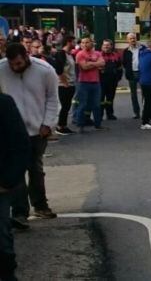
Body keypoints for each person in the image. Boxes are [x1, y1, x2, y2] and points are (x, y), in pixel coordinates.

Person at [0, 44, 60, 231]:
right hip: (12, 132)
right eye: (12, 64)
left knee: (35, 168)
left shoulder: (45, 70)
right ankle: (19, 212)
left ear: (26, 57)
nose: (15, 68)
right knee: (16, 172)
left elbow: (52, 98)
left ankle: (40, 205)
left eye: (18, 63)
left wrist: (48, 123)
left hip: (37, 129)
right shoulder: (1, 68)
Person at [0, 90, 30, 281]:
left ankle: (7, 274)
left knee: (1, 238)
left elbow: (21, 145)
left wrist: (7, 181)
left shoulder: (3, 104)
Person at [74, 37, 106, 131]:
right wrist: (96, 63)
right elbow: (84, 67)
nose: (84, 44)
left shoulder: (97, 53)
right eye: (83, 43)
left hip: (95, 82)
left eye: (87, 42)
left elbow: (103, 63)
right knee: (82, 104)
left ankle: (98, 124)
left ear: (92, 43)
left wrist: (90, 63)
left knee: (96, 104)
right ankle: (80, 125)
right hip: (83, 82)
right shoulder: (80, 54)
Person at [51, 38, 77, 135]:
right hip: (63, 85)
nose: (75, 44)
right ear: (68, 42)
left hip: (71, 83)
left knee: (67, 105)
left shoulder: (70, 55)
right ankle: (59, 126)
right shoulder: (61, 54)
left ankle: (64, 125)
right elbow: (59, 69)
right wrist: (64, 82)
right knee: (64, 105)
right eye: (73, 42)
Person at [122, 33, 145, 119]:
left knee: (144, 93)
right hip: (131, 73)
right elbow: (124, 63)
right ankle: (136, 112)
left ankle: (145, 111)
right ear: (127, 40)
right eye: (130, 39)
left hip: (142, 73)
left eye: (134, 38)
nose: (132, 40)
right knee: (133, 94)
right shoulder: (126, 51)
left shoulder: (143, 48)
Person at [100, 40, 123, 121]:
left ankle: (110, 114)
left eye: (108, 45)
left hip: (112, 81)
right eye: (104, 45)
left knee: (110, 98)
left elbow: (120, 68)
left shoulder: (116, 55)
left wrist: (118, 78)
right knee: (101, 99)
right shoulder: (98, 55)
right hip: (101, 81)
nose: (106, 46)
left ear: (111, 46)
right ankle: (100, 115)